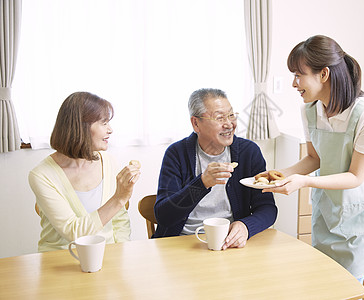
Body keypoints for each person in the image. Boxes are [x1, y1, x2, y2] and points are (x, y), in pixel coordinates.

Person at [262, 35, 364, 283]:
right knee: (323, 278)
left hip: (362, 208)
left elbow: (356, 176)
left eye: (298, 75)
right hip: (329, 206)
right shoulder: (310, 111)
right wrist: (280, 174)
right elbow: (314, 158)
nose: (294, 83)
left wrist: (304, 182)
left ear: (323, 74)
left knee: (350, 282)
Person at [153, 88, 277, 249]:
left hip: (229, 243)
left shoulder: (249, 152)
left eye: (231, 115)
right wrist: (201, 183)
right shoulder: (177, 153)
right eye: (219, 117)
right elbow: (164, 216)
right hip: (182, 243)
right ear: (196, 123)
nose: (229, 124)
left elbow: (268, 208)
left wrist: (246, 226)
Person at [29, 92, 141, 252]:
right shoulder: (42, 175)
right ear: (81, 127)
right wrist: (119, 198)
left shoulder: (108, 161)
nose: (110, 130)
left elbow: (119, 220)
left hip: (106, 257)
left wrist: (119, 255)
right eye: (104, 123)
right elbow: (73, 232)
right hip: (59, 262)